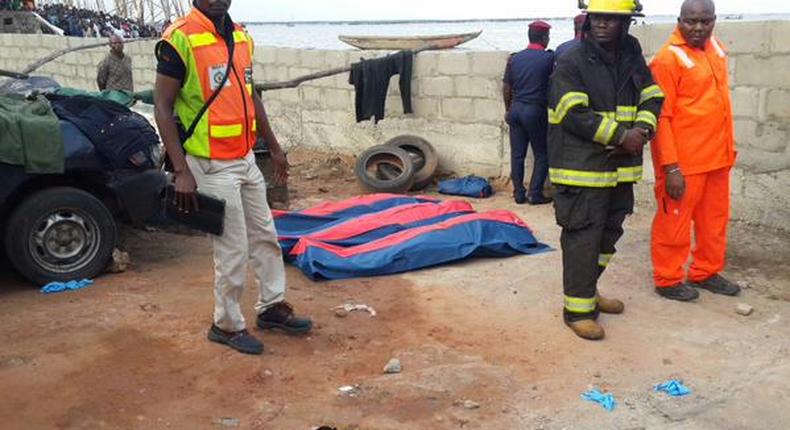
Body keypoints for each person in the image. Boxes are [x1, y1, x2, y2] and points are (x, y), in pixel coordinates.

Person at [153, 0, 312, 356]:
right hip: (209, 162)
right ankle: (225, 325)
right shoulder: (179, 39)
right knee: (232, 248)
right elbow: (162, 106)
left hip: (244, 158)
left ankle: (271, 308)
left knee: (266, 237)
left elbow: (252, 94)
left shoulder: (241, 36)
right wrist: (181, 171)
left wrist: (273, 146)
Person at [548, 0, 664, 340]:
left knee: (608, 234)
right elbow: (571, 112)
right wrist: (618, 135)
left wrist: (642, 131)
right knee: (583, 237)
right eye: (597, 17)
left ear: (626, 23)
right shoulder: (570, 59)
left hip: (620, 169)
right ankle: (577, 311)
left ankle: (588, 290)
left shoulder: (630, 54)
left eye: (611, 19)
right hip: (581, 169)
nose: (601, 24)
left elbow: (653, 96)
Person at [649, 0, 740, 302]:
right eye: (691, 21)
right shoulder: (667, 59)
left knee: (714, 221)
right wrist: (670, 167)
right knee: (673, 221)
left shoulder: (714, 49)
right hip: (684, 164)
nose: (698, 28)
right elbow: (661, 118)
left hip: (717, 158)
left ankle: (706, 271)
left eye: (705, 21)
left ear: (714, 20)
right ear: (679, 20)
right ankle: (668, 278)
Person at [502, 20, 555, 205]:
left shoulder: (514, 58)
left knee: (517, 154)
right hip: (535, 110)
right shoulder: (549, 58)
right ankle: (535, 193)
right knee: (542, 154)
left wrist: (508, 110)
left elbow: (506, 86)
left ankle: (518, 193)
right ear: (544, 37)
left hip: (515, 109)